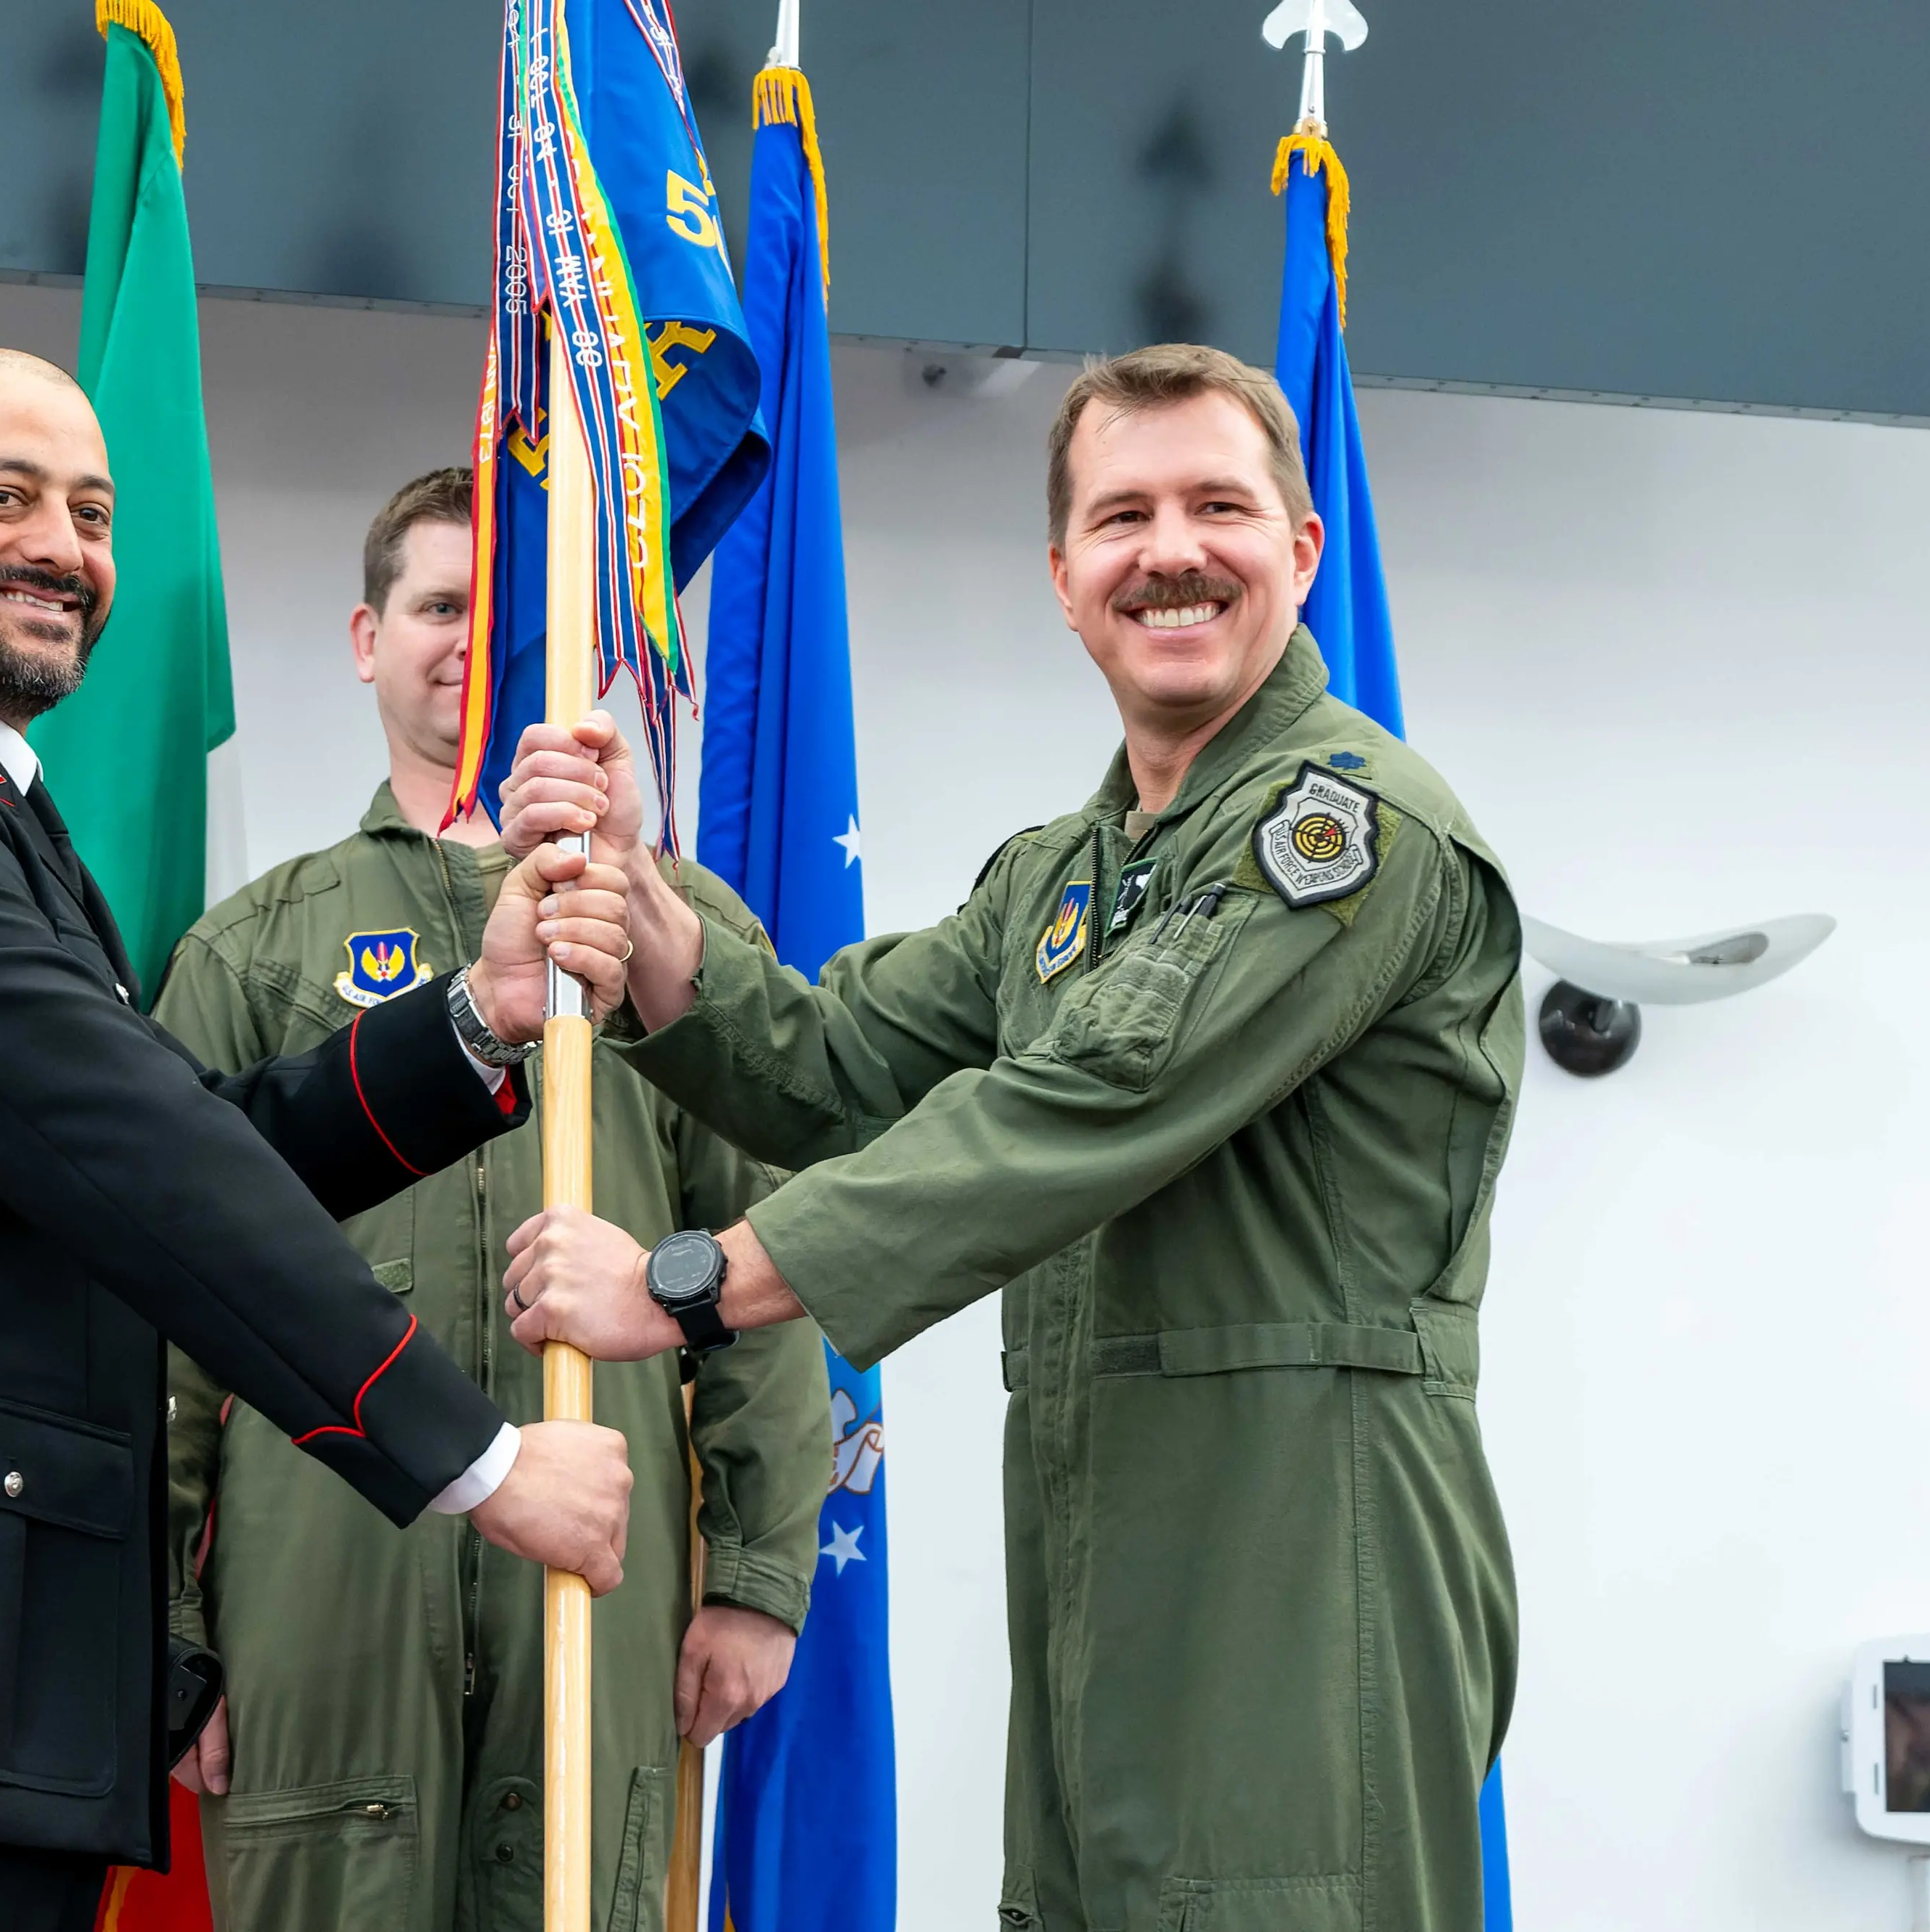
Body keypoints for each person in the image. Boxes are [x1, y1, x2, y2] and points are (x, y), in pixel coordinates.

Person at [497, 343, 1525, 1932]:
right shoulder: (1063, 874)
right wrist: (643, 904)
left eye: (1215, 506)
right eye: (1120, 516)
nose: (1167, 550)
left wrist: (692, 1283)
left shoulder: (1348, 832)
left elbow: (1088, 1098)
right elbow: (837, 1063)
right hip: (1102, 1561)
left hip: (1304, 1558)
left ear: (1299, 551)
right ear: (1062, 577)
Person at [0, 350, 643, 1932]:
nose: (65, 547)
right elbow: (145, 1156)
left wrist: (476, 1020)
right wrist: (483, 1462)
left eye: (92, 512)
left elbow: (175, 1136)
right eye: (3, 498)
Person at [152, 469, 830, 1931]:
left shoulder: (668, 932)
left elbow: (766, 1259)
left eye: (503, 611)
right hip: (320, 1575)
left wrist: (760, 1574)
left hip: (603, 1566)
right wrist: (166, 1616)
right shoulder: (254, 950)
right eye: (435, 605)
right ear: (363, 635)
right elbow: (161, 1296)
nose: (467, 641)